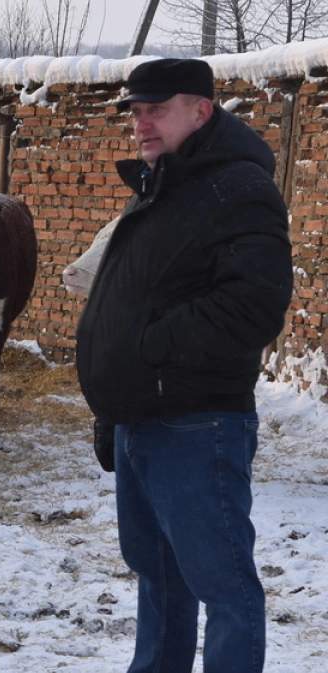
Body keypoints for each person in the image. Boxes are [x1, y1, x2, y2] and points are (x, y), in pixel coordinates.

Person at [76, 58, 293, 673]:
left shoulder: (238, 189)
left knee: (223, 588)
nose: (142, 124)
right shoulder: (165, 182)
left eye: (157, 110)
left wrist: (149, 350)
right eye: (136, 112)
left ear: (201, 110)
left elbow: (254, 305)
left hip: (198, 426)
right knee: (160, 581)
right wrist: (114, 403)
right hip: (142, 419)